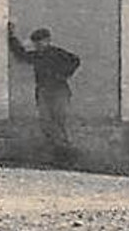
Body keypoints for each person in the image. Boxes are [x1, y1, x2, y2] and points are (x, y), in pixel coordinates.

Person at [8, 23, 80, 163]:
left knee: (58, 119)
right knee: (46, 120)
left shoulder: (57, 52)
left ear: (48, 40)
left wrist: (63, 74)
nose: (39, 45)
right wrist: (11, 37)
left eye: (41, 41)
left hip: (59, 90)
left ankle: (64, 150)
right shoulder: (37, 55)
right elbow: (21, 54)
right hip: (43, 90)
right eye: (36, 43)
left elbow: (75, 60)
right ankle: (57, 149)